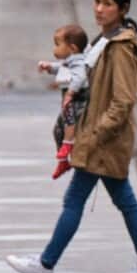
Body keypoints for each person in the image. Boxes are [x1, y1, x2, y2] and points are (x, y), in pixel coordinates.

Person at [6, 0, 137, 273]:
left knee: (75, 198)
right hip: (102, 138)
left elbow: (123, 100)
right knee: (125, 201)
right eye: (97, 1)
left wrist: (94, 134)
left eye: (107, 3)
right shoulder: (103, 42)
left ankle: (46, 264)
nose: (99, 9)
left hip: (104, 140)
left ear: (123, 9)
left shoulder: (119, 49)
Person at [38, 23, 90, 179]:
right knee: (58, 130)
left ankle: (68, 145)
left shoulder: (80, 62)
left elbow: (80, 77)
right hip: (70, 101)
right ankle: (62, 160)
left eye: (57, 45)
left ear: (72, 48)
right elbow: (60, 67)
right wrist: (48, 67)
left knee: (69, 122)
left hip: (78, 100)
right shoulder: (69, 60)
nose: (54, 49)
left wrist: (70, 92)